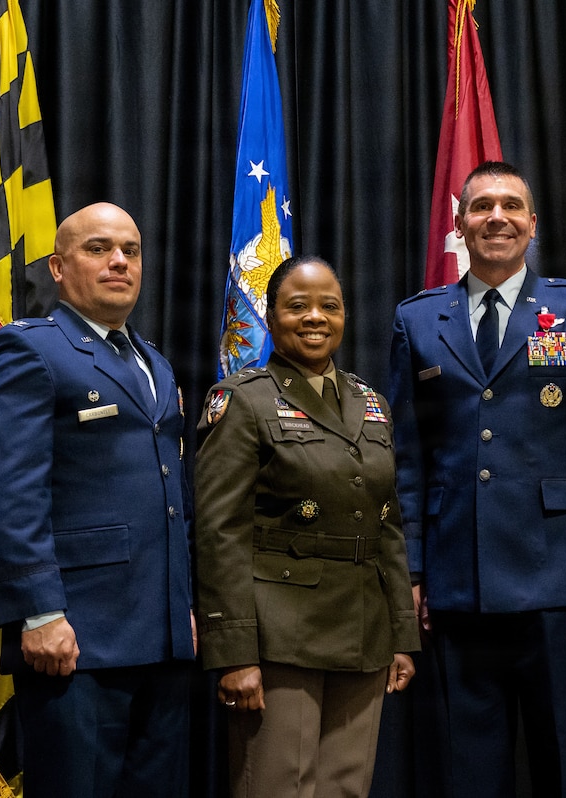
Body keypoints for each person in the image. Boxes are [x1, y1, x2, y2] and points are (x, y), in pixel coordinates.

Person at [388, 160, 566, 797]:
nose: (495, 217)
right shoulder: (417, 320)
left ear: (532, 223)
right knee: (468, 774)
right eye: (480, 207)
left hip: (559, 582)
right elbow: (407, 460)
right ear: (458, 224)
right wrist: (411, 572)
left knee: (564, 767)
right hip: (456, 579)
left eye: (509, 206)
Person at [0, 202, 198, 798]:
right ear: (57, 267)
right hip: (76, 638)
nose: (119, 260)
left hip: (162, 639)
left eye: (131, 250)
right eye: (98, 248)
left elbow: (174, 498)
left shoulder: (156, 363)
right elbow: (8, 491)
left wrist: (184, 607)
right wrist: (39, 612)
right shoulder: (29, 349)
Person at [194, 255, 419, 798]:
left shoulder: (372, 404)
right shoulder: (242, 400)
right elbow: (218, 533)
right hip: (278, 638)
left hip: (364, 633)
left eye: (329, 306)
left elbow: (387, 524)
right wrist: (234, 652)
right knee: (278, 787)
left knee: (346, 788)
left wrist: (402, 635)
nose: (315, 317)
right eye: (297, 306)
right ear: (270, 319)